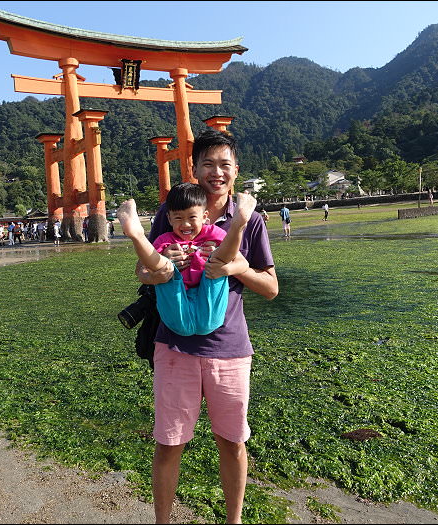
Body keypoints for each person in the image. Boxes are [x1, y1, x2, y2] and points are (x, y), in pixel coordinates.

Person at [137, 129, 277, 524]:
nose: (217, 172)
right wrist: (165, 269)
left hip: (229, 347)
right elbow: (141, 271)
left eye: (225, 164)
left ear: (236, 170)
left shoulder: (248, 220)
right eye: (208, 164)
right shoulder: (173, 211)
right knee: (168, 443)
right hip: (174, 346)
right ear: (194, 169)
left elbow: (271, 288)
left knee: (232, 442)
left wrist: (238, 267)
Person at [118, 183, 256, 337]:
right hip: (178, 302)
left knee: (217, 258)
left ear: (205, 217)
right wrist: (163, 262)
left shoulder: (213, 234)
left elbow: (243, 263)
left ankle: (238, 225)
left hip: (205, 295)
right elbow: (145, 266)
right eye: (178, 218)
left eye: (192, 217)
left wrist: (222, 268)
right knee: (165, 268)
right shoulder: (166, 240)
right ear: (169, 219)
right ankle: (136, 235)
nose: (185, 224)